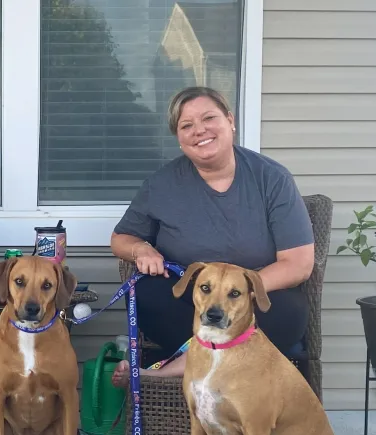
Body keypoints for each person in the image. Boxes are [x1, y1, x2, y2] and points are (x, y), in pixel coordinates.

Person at [109, 86, 314, 387]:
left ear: (230, 120)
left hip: (254, 301)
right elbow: (120, 238)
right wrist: (141, 249)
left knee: (287, 312)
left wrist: (238, 293)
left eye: (209, 118)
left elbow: (298, 264)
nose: (199, 131)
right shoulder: (161, 184)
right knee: (148, 295)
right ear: (178, 138)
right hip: (192, 303)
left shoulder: (271, 178)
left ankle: (176, 367)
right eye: (186, 125)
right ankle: (205, 359)